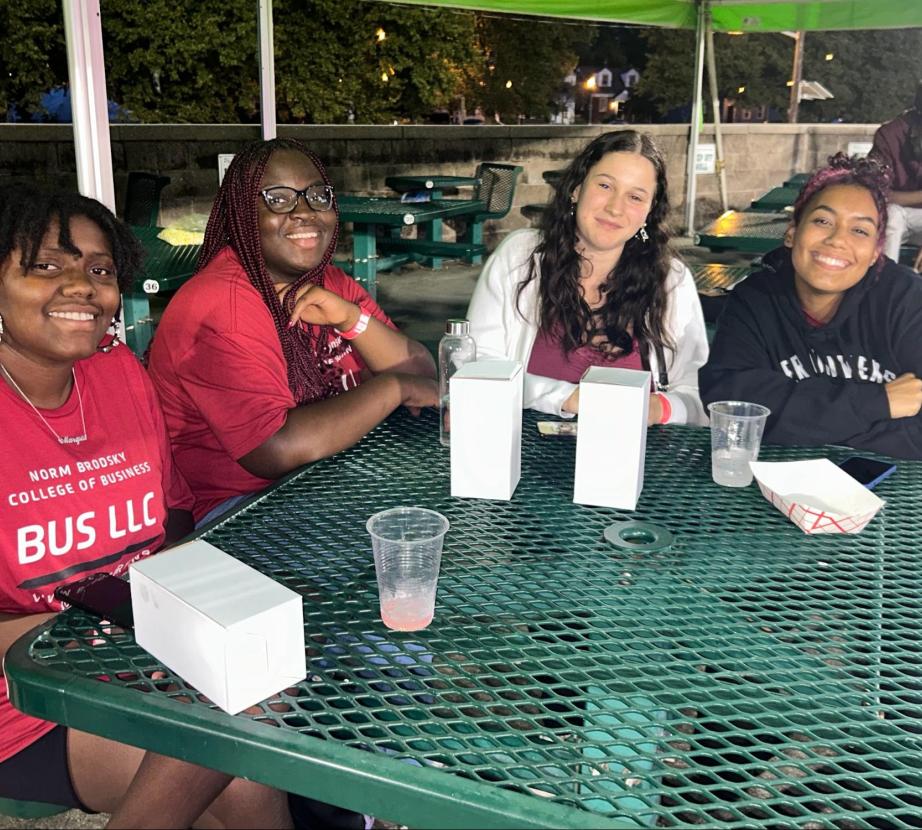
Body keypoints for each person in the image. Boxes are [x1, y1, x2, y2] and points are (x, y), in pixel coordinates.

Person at [0, 185, 292, 827]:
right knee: (240, 722)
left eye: (99, 270)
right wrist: (126, 642)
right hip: (26, 694)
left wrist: (180, 622)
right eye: (47, 265)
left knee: (256, 696)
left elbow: (172, 519)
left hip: (140, 654)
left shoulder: (119, 374)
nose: (81, 285)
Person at [148, 138, 437, 524]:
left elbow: (422, 373)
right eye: (278, 199)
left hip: (327, 478)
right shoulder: (223, 306)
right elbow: (275, 449)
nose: (305, 211)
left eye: (318, 195)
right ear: (241, 213)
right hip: (240, 510)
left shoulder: (328, 282)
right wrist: (394, 388)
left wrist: (351, 319)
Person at [466, 129, 709, 426]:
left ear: (649, 212)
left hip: (636, 461)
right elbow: (478, 367)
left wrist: (659, 409)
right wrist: (568, 398)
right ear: (576, 189)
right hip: (523, 455)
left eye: (635, 197)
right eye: (605, 185)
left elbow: (700, 397)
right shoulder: (521, 256)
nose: (615, 208)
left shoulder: (671, 280)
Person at [699, 153, 922, 459]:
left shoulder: (906, 300)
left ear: (875, 253)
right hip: (774, 481)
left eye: (859, 230)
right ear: (792, 233)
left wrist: (798, 421)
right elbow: (728, 403)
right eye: (822, 221)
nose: (836, 240)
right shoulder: (755, 299)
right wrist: (877, 404)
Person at [869, 80, 922, 271]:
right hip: (898, 216)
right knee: (891, 215)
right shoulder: (890, 134)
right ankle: (885, 281)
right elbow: (877, 191)